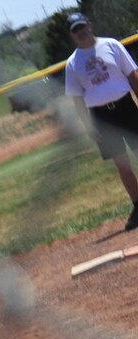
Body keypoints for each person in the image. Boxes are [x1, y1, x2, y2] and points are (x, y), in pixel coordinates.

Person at [65, 13, 138, 231]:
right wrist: (88, 126)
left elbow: (132, 75)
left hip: (126, 107)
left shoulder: (112, 45)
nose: (81, 32)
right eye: (76, 30)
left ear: (90, 24)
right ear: (71, 35)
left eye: (82, 26)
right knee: (122, 163)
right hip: (102, 117)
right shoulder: (72, 63)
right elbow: (77, 99)